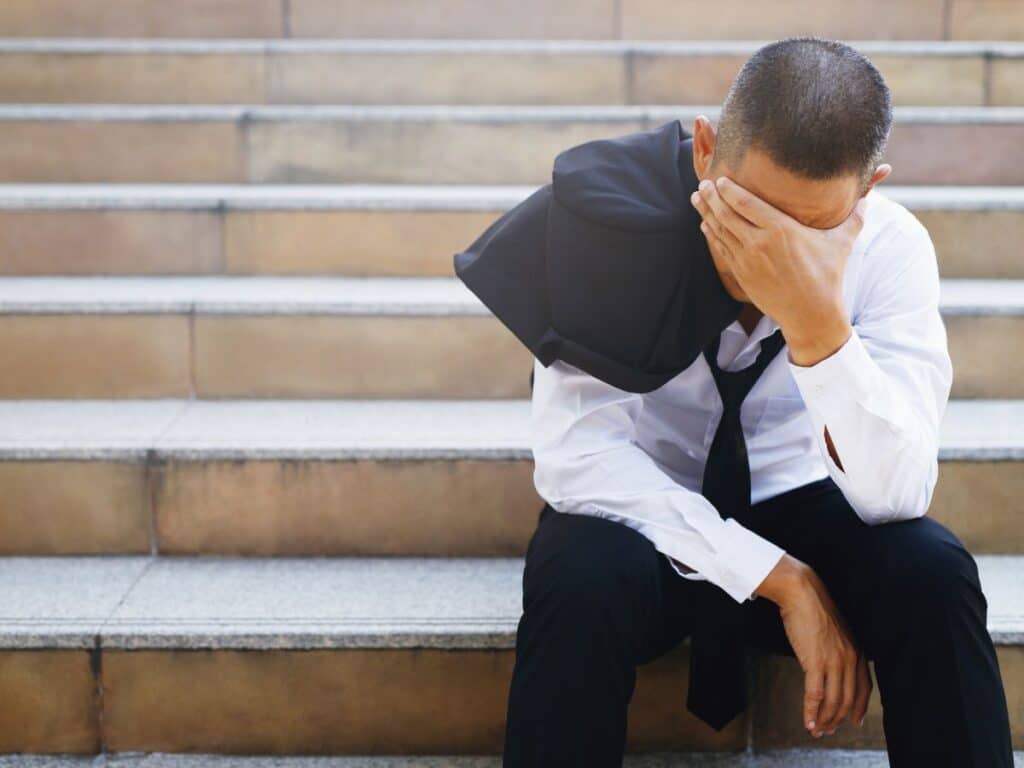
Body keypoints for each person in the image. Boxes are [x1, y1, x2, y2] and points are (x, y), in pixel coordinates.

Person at [501, 37, 1014, 767]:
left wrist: (817, 327)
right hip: (651, 523)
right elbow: (578, 461)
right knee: (577, 570)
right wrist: (779, 578)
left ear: (867, 191)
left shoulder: (891, 248)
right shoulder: (609, 224)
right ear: (706, 149)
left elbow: (897, 494)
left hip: (805, 501)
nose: (769, 249)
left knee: (933, 571)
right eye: (750, 212)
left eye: (808, 228)